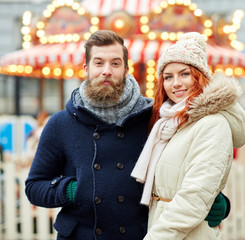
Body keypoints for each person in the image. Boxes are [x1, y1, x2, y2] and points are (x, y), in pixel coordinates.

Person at [25, 30, 229, 240]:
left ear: (125, 69)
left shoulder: (155, 117)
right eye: (98, 63)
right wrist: (71, 190)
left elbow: (183, 166)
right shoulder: (61, 123)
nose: (106, 71)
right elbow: (34, 186)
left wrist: (216, 199)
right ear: (86, 68)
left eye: (115, 63)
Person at [131, 32, 245, 239]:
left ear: (200, 77)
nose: (175, 83)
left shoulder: (212, 124)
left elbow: (194, 197)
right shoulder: (169, 123)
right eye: (168, 77)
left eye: (184, 74)